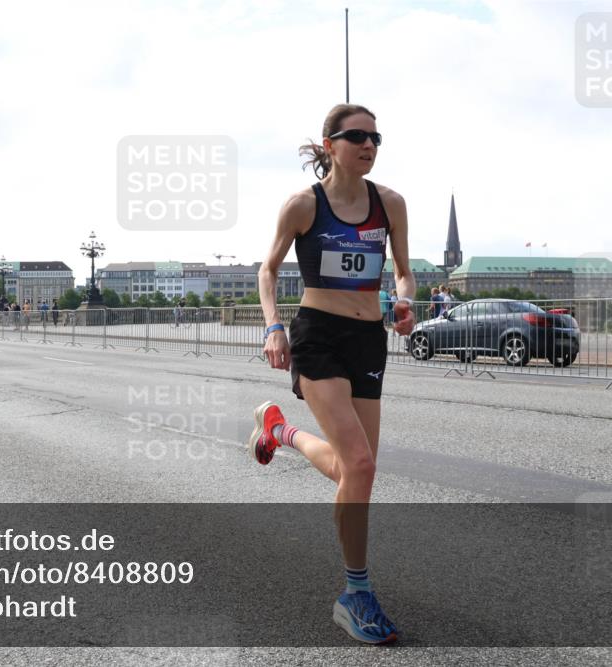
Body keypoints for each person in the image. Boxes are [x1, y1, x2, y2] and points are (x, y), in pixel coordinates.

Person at [250, 103, 416, 644]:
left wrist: (406, 302)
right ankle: (356, 594)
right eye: (357, 137)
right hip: (317, 335)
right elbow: (268, 269)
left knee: (355, 473)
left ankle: (281, 432)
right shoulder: (303, 206)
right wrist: (274, 327)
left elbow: (404, 272)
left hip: (368, 339)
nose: (369, 145)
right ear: (329, 144)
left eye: (375, 138)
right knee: (362, 465)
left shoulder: (390, 204)